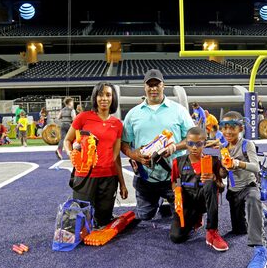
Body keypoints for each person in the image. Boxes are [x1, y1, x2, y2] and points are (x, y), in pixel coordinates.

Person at [121, 69, 195, 221]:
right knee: (144, 216)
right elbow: (124, 143)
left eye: (157, 84)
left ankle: (169, 201)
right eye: (150, 84)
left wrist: (174, 147)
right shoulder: (133, 114)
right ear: (144, 87)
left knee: (183, 219)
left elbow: (192, 139)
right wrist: (135, 155)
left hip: (173, 176)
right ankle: (160, 201)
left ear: (163, 86)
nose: (153, 88)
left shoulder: (179, 110)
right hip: (146, 177)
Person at [63, 82, 128, 227]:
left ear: (113, 98)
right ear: (95, 97)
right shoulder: (83, 117)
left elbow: (116, 156)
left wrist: (122, 184)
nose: (104, 98)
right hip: (85, 177)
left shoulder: (117, 124)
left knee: (103, 222)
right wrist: (71, 153)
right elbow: (67, 140)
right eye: (100, 94)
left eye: (108, 95)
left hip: (108, 179)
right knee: (80, 222)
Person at [219, 111, 267, 268]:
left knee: (253, 200)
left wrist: (237, 163)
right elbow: (223, 173)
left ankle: (261, 250)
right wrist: (220, 171)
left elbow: (256, 166)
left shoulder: (246, 144)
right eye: (224, 127)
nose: (227, 131)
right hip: (233, 193)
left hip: (249, 188)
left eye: (232, 127)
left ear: (240, 128)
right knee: (239, 230)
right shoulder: (223, 147)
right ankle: (262, 211)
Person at [169, 127, 229, 251]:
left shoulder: (214, 161)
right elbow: (174, 182)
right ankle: (195, 218)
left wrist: (214, 179)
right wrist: (177, 191)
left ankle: (212, 231)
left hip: (205, 201)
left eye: (198, 144)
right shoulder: (178, 162)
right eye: (190, 144)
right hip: (188, 202)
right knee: (176, 237)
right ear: (186, 144)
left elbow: (221, 188)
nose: (194, 147)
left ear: (205, 144)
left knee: (209, 183)